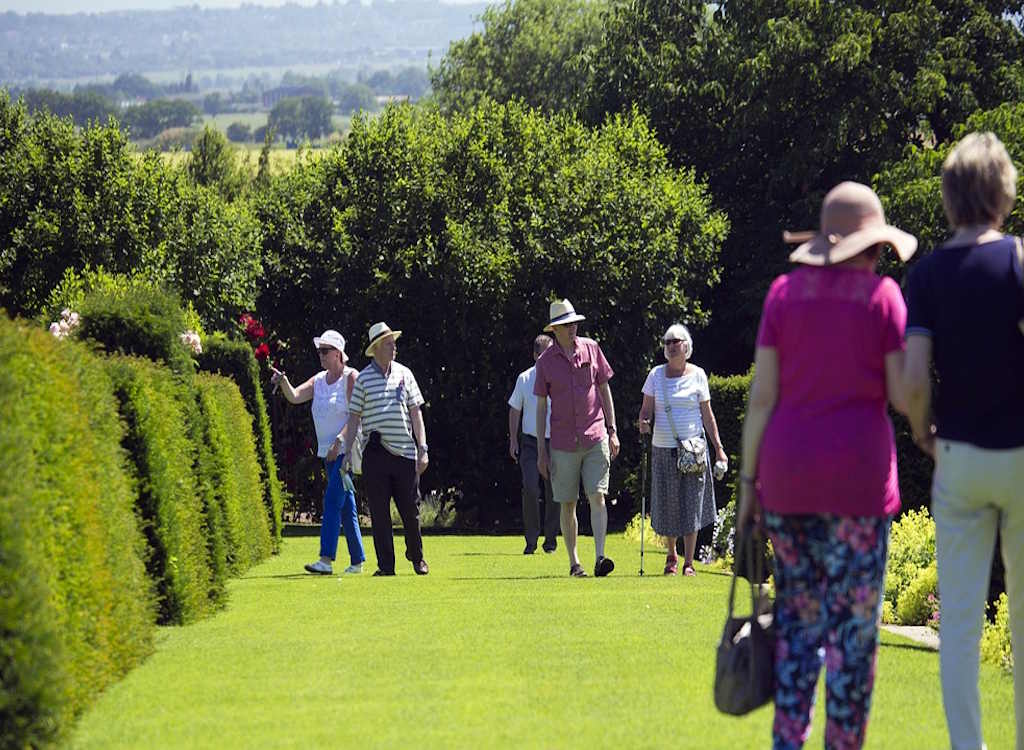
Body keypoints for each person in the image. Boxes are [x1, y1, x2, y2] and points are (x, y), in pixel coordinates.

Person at [737, 181, 917, 749]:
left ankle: (788, 741)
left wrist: (747, 486)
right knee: (852, 642)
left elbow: (761, 398)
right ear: (870, 247)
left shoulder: (783, 296)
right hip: (859, 487)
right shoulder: (883, 298)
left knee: (797, 629)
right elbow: (901, 392)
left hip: (788, 483)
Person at [904, 132, 1023, 750]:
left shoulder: (926, 274)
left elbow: (912, 374)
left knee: (960, 624)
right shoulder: (1019, 261)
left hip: (960, 455)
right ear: (1004, 191)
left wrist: (923, 428)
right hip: (1020, 454)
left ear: (949, 197)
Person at [534, 299, 619, 578]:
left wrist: (612, 429)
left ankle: (600, 557)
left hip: (595, 436)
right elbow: (541, 407)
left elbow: (604, 389)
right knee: (568, 502)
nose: (573, 329)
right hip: (561, 443)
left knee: (598, 496)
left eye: (574, 324)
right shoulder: (545, 362)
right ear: (555, 330)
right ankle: (574, 563)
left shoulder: (592, 348)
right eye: (567, 325)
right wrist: (541, 452)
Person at [270, 330, 366, 576]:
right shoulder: (319, 380)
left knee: (332, 500)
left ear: (338, 354)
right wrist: (283, 382)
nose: (320, 355)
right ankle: (357, 561)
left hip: (345, 452)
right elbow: (294, 396)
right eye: (319, 351)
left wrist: (340, 441)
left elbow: (356, 415)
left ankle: (325, 559)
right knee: (346, 507)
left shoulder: (351, 377)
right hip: (328, 454)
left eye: (325, 351)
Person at [637, 323, 727, 576]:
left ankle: (688, 561)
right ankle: (671, 555)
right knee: (668, 503)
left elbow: (707, 416)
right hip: (663, 449)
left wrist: (718, 448)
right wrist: (643, 422)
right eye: (667, 342)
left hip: (693, 450)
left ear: (686, 346)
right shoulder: (655, 375)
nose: (671, 346)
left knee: (692, 503)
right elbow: (645, 409)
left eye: (676, 342)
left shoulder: (698, 375)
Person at [341, 322, 429, 576]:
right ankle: (386, 566)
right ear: (377, 348)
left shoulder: (405, 373)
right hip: (376, 452)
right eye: (390, 343)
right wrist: (348, 453)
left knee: (411, 512)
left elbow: (416, 413)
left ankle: (417, 557)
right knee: (379, 514)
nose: (394, 347)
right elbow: (354, 417)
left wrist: (422, 448)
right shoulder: (364, 379)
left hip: (404, 453)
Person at [508, 334, 559, 554]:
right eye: (543, 355)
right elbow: (514, 410)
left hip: (555, 442)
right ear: (535, 355)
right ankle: (531, 540)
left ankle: (550, 541)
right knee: (530, 487)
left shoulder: (559, 378)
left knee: (554, 491)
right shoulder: (525, 379)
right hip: (530, 442)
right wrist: (512, 440)